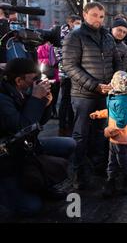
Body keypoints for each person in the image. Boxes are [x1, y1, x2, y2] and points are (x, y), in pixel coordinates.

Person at [0, 58, 76, 217]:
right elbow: (22, 128)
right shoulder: (3, 99)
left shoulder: (21, 90)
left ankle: (42, 183)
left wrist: (45, 104)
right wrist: (35, 99)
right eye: (33, 78)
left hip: (25, 150)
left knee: (69, 144)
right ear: (19, 80)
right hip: (7, 159)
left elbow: (37, 124)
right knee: (31, 208)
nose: (37, 82)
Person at [63, 2, 122, 190]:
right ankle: (77, 173)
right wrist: (95, 86)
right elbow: (70, 67)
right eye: (95, 15)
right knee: (80, 135)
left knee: (100, 132)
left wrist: (118, 80)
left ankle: (97, 166)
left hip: (105, 94)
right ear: (85, 14)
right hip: (83, 95)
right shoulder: (75, 36)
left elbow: (117, 61)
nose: (98, 19)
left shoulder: (107, 37)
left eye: (102, 16)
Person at [90, 71, 127, 198]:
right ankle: (111, 179)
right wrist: (99, 114)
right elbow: (112, 112)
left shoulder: (121, 102)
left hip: (120, 136)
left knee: (121, 160)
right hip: (116, 135)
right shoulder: (117, 97)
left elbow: (121, 122)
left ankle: (126, 179)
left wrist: (109, 131)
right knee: (113, 159)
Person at [56, 15, 82, 136]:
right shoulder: (62, 34)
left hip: (76, 73)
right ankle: (62, 126)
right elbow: (59, 54)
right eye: (77, 23)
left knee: (74, 100)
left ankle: (72, 125)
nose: (78, 25)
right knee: (65, 100)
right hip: (66, 73)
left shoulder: (78, 34)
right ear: (70, 23)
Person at [37, 40, 59, 118]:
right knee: (48, 94)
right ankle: (48, 112)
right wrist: (48, 60)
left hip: (55, 74)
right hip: (46, 74)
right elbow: (38, 60)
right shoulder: (41, 48)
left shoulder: (55, 48)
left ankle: (54, 111)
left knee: (55, 95)